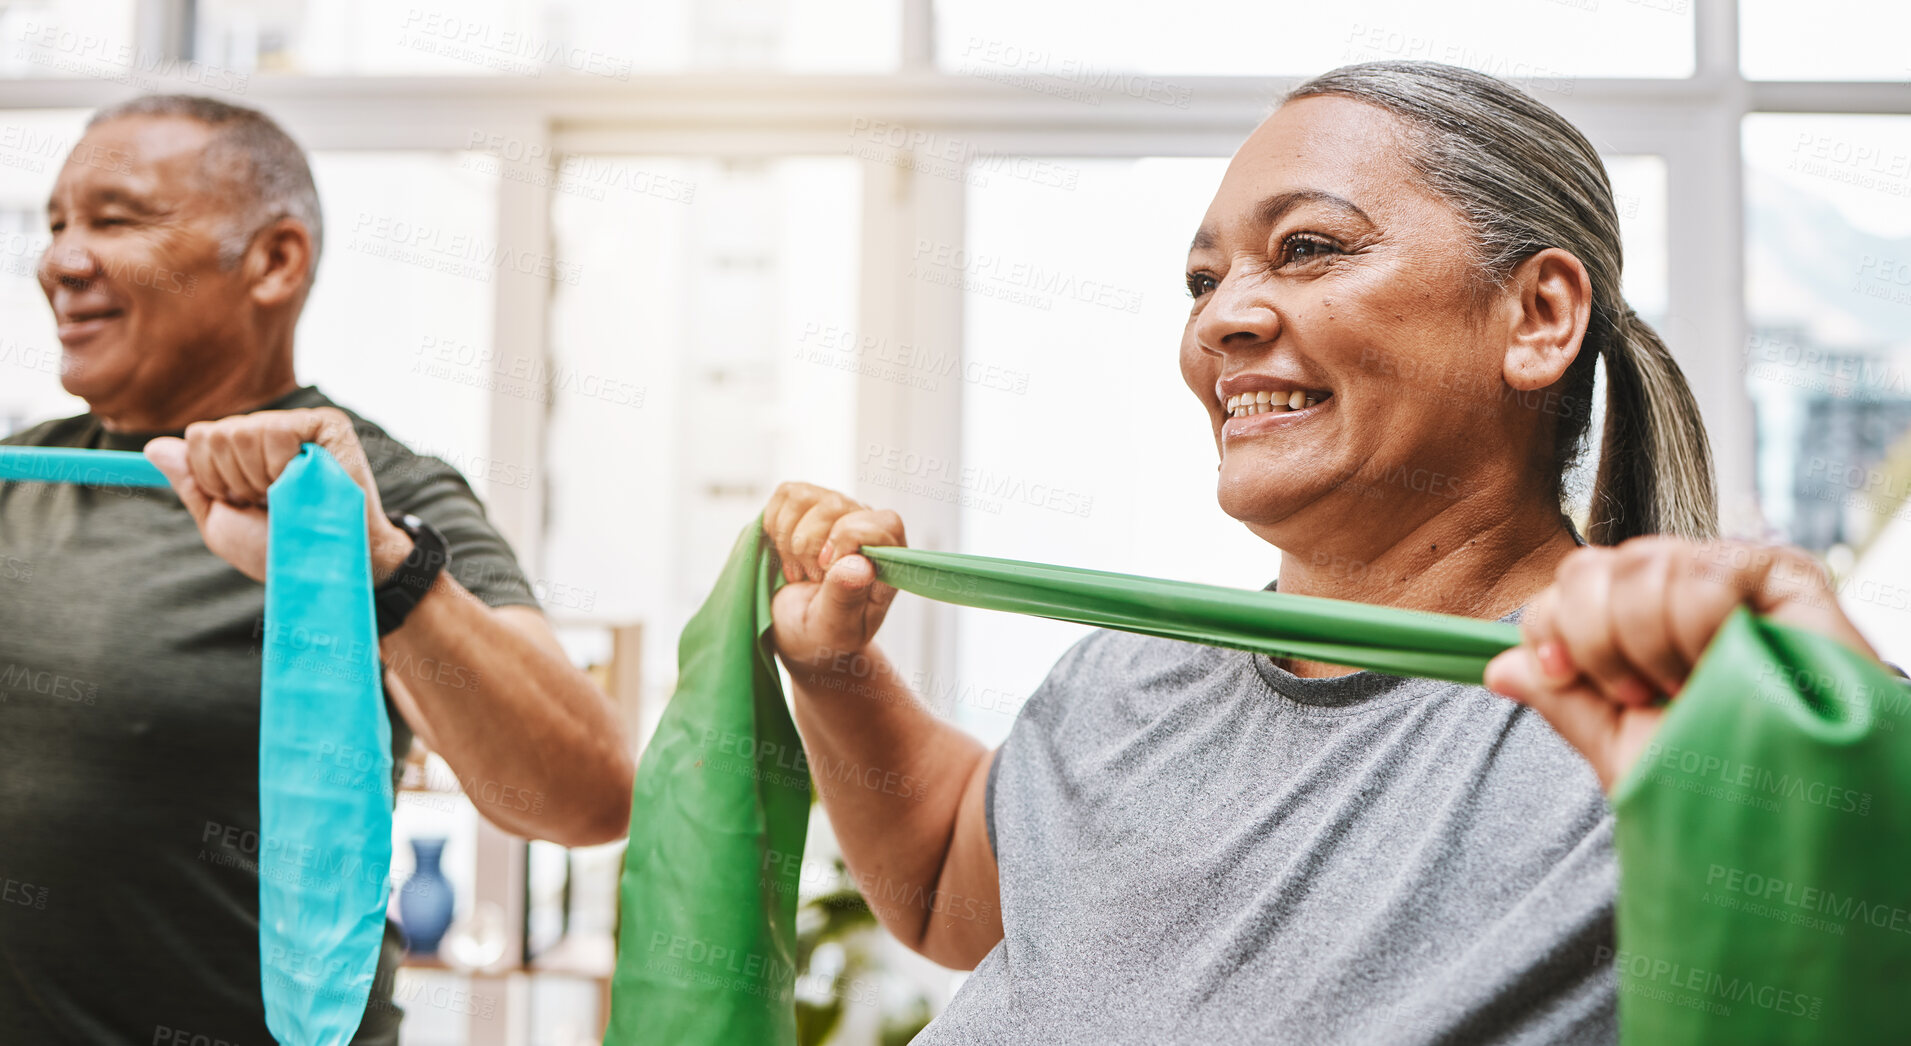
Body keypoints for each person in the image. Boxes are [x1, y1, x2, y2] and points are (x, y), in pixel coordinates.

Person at [758, 61, 1891, 1043]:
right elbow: (956, 880)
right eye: (1205, 280)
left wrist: (1843, 750)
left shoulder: (1682, 710)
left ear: (1539, 315)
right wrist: (838, 670)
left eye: (1307, 248)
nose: (1221, 320)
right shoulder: (1131, 673)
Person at [0, 96, 634, 1043]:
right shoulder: (22, 476)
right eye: (56, 225)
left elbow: (585, 793)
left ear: (275, 260)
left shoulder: (369, 494)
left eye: (115, 219)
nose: (61, 259)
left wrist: (383, 567)